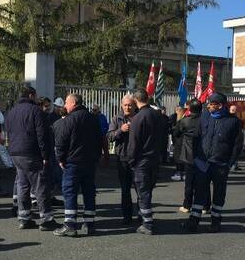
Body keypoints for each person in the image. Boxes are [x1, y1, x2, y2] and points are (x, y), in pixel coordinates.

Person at [184, 92, 242, 233]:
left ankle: (216, 221)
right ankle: (194, 221)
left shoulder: (233, 122)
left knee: (219, 193)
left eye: (211, 104)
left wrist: (230, 163)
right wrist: (196, 157)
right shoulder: (204, 117)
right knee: (200, 191)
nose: (208, 106)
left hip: (220, 165)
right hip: (202, 163)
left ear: (220, 105)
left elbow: (237, 145)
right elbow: (197, 137)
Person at [5, 86, 57, 230]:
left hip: (16, 153)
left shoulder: (12, 111)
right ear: (31, 95)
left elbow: (8, 131)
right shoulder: (35, 111)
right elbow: (42, 135)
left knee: (22, 185)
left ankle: (24, 217)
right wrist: (45, 155)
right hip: (31, 153)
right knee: (40, 186)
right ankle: (47, 218)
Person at [53, 94, 102, 237]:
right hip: (89, 163)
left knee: (69, 192)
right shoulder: (93, 119)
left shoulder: (68, 120)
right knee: (89, 192)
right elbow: (100, 140)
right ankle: (89, 224)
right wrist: (96, 158)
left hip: (72, 163)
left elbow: (61, 143)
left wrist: (60, 159)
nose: (65, 106)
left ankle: (70, 225)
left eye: (67, 103)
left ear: (73, 103)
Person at [127, 89, 163, 235]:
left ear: (135, 100)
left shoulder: (138, 118)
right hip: (155, 159)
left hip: (142, 161)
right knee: (148, 190)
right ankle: (144, 216)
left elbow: (133, 143)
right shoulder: (158, 115)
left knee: (143, 192)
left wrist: (131, 160)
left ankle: (147, 223)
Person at [107, 95, 137, 224]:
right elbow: (109, 136)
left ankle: (143, 215)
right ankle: (127, 217)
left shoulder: (139, 117)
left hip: (137, 158)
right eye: (125, 105)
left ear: (135, 105)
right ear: (121, 105)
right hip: (123, 159)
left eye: (130, 105)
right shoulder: (117, 118)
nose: (127, 107)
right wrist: (121, 130)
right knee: (125, 190)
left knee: (140, 189)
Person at [174, 99, 201, 213]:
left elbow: (176, 133)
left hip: (188, 154)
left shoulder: (185, 121)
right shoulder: (205, 120)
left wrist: (179, 119)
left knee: (189, 183)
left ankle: (187, 205)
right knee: (203, 182)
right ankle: (205, 206)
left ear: (190, 109)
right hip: (203, 154)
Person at [170, 106, 186, 181]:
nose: (177, 111)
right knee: (179, 157)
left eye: (178, 110)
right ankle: (181, 172)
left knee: (180, 157)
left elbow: (176, 132)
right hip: (179, 141)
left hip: (180, 141)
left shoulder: (182, 120)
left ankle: (180, 173)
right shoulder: (174, 117)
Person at [229, 104, 244, 171]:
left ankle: (235, 164)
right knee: (233, 153)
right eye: (232, 110)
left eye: (235, 110)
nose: (234, 111)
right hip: (232, 140)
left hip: (237, 139)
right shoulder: (227, 119)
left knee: (236, 153)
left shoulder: (238, 120)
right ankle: (231, 165)